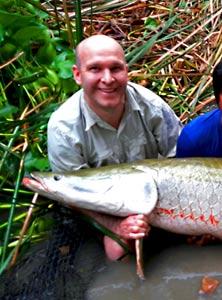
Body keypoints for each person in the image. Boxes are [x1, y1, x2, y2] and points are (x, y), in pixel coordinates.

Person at [47, 34, 182, 260]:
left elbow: (181, 163)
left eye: (115, 68)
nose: (107, 79)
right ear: (78, 75)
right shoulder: (62, 128)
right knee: (118, 252)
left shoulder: (153, 107)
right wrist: (117, 226)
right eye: (96, 69)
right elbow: (74, 197)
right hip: (104, 210)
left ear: (126, 71)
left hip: (157, 199)